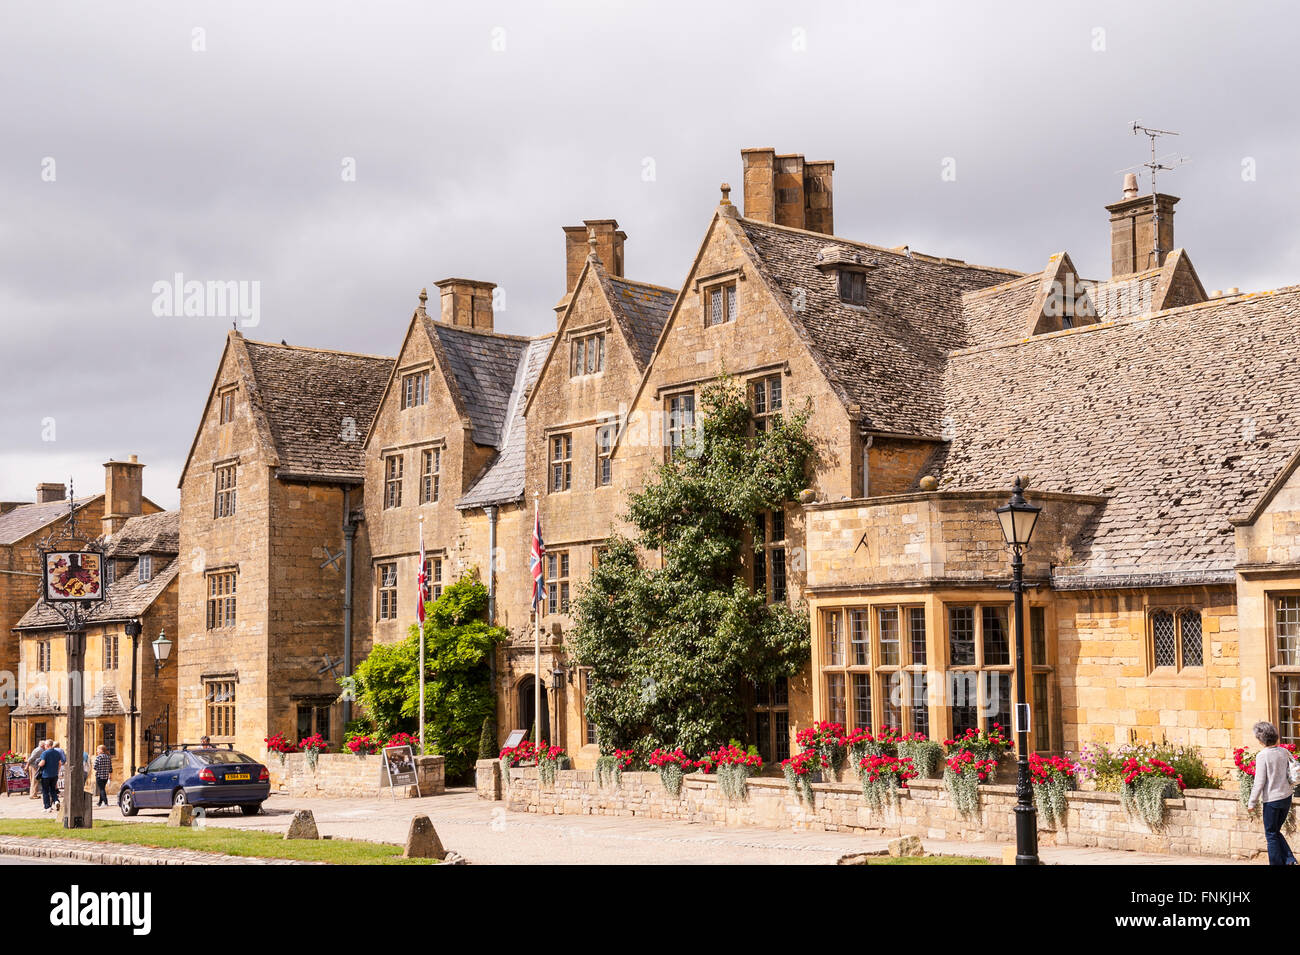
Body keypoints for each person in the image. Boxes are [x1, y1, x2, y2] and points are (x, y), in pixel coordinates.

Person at [1246, 720, 1298, 865]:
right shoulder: (1283, 750)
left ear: (1260, 738)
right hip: (1286, 797)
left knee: (1271, 834)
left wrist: (1252, 802)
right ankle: (1289, 859)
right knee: (1275, 832)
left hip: (1272, 800)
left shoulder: (1263, 756)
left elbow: (1259, 782)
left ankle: (1278, 863)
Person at [34, 741, 64, 812]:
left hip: (46, 775)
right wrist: (57, 771)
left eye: (45, 745)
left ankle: (47, 807)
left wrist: (38, 763)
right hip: (54, 774)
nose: (44, 746)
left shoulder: (45, 753)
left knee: (45, 791)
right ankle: (56, 801)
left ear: (47, 745)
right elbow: (60, 763)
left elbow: (42, 763)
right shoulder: (57, 752)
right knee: (53, 789)